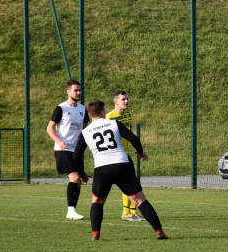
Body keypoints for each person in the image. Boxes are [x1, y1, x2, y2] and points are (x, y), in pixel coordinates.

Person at [73, 101, 168, 240]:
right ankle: (159, 232)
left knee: (97, 201)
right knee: (140, 200)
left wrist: (82, 175)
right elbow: (133, 138)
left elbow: (76, 157)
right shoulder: (113, 123)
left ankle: (95, 235)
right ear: (102, 112)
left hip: (101, 168)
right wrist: (140, 152)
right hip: (121, 165)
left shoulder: (85, 132)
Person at [46, 79, 90, 220]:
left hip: (76, 150)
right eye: (75, 90)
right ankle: (70, 211)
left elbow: (85, 129)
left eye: (80, 90)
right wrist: (59, 142)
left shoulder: (83, 109)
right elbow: (49, 128)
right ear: (68, 91)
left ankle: (72, 210)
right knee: (74, 177)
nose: (78, 92)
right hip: (63, 149)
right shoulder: (61, 108)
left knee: (79, 180)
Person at [105, 91, 144, 222]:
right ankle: (127, 213)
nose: (126, 101)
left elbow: (130, 134)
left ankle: (132, 212)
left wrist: (137, 150)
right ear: (116, 102)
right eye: (123, 99)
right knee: (128, 183)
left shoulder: (127, 115)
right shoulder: (109, 117)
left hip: (125, 154)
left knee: (132, 182)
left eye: (127, 99)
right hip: (116, 156)